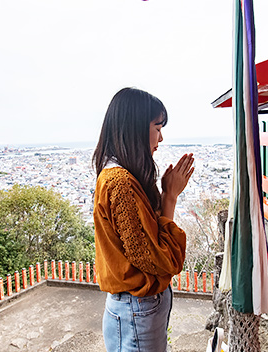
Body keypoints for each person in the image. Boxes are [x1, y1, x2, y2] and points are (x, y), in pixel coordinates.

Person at [92, 87, 194, 352]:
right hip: (137, 307)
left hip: (129, 307)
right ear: (135, 128)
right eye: (157, 127)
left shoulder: (116, 175)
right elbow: (158, 261)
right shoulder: (121, 183)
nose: (161, 136)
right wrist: (169, 197)